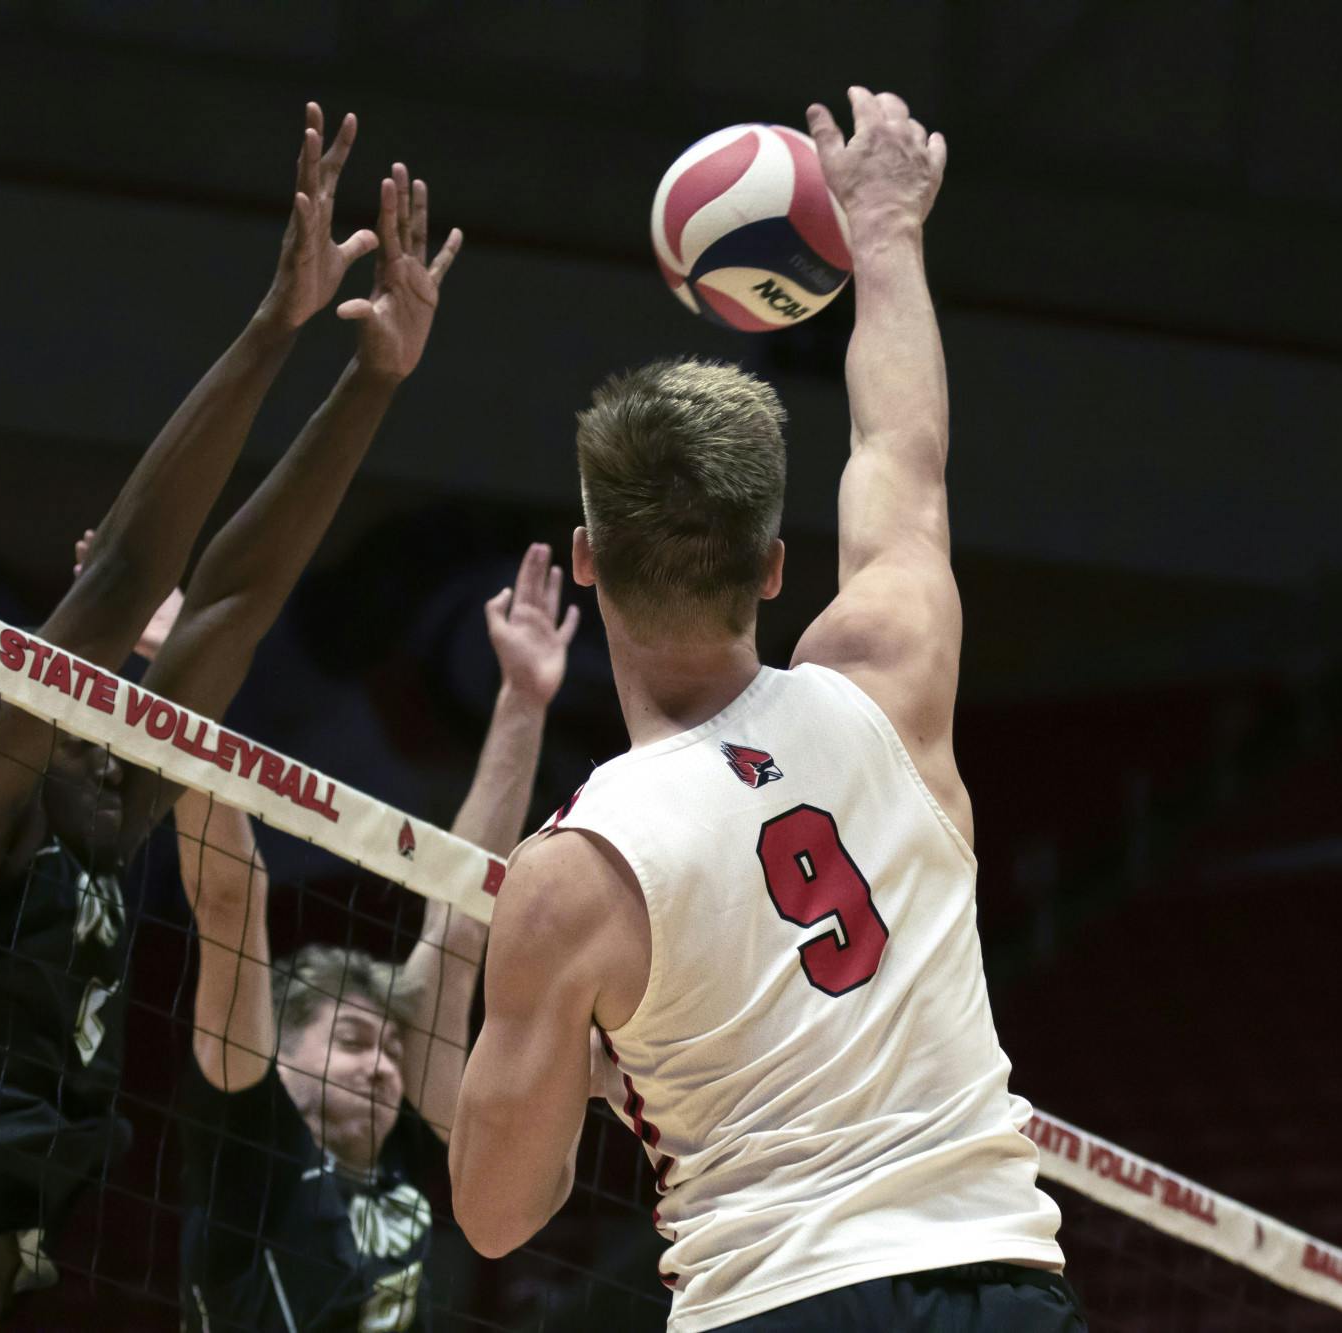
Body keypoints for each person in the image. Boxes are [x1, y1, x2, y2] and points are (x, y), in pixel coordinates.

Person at [0, 104, 462, 1333]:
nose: (125, 711)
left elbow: (234, 602)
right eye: (88, 690)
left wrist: (374, 378)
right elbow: (126, 584)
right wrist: (271, 327)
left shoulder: (109, 808)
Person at [448, 88, 1083, 1332]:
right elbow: (899, 454)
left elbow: (494, 1213)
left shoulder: (573, 873)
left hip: (774, 1297)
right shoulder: (885, 678)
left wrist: (589, 1070)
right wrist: (888, 231)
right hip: (998, 1286)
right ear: (773, 566)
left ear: (584, 557)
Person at [160, 541, 576, 1333]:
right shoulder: (250, 1143)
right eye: (354, 1039)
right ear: (279, 1054)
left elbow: (460, 914)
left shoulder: (400, 1160)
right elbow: (228, 896)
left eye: (387, 1044)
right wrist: (188, 683)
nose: (385, 1065)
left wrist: (522, 696)